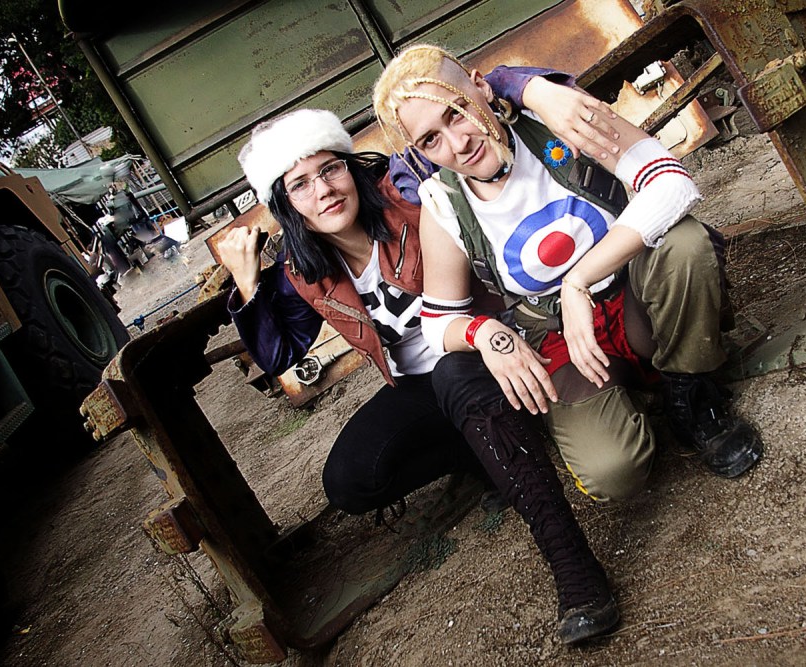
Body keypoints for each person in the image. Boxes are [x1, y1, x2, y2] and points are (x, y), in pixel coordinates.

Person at [217, 72, 621, 644]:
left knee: (456, 373)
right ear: (286, 205)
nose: (324, 191)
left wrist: (530, 89)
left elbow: (460, 104)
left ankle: (574, 569)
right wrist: (248, 283)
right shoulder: (303, 271)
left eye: (329, 169)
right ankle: (484, 448)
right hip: (420, 383)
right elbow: (281, 352)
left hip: (490, 342)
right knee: (350, 481)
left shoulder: (407, 190)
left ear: (350, 166)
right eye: (300, 185)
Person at [371, 44, 764, 504]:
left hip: (634, 291)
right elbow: (438, 321)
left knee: (683, 244)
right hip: (560, 338)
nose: (458, 144)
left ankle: (691, 392)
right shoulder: (443, 203)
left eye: (457, 112)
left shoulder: (557, 119)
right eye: (430, 140)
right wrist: (484, 334)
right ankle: (629, 395)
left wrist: (579, 280)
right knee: (613, 475)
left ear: (481, 86)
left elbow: (672, 182)